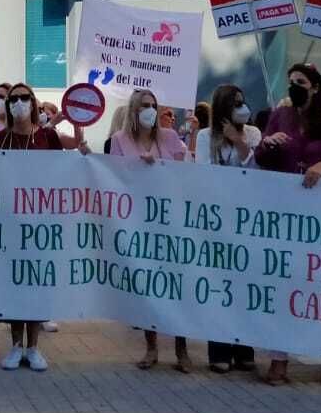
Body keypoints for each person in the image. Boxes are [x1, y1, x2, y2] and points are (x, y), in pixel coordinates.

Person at [258, 64, 321, 386]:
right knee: (284, 285)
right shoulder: (280, 117)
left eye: (300, 82)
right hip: (285, 213)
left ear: (315, 87)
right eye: (290, 82)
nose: (294, 86)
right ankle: (279, 358)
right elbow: (263, 160)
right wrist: (267, 145)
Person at [0, 82, 87, 370]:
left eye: (25, 98)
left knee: (37, 283)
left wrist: (82, 134)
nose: (19, 103)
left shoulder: (48, 136)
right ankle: (16, 345)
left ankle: (34, 347)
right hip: (9, 224)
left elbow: (77, 155)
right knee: (15, 284)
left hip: (42, 225)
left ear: (33, 102)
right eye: (14, 98)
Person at [111, 89, 192, 372]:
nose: (150, 110)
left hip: (170, 219)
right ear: (134, 110)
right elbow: (114, 178)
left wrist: (160, 166)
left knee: (175, 283)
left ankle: (182, 350)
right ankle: (151, 347)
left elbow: (187, 170)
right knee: (147, 284)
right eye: (145, 105)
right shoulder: (119, 141)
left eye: (154, 105)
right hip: (138, 221)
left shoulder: (169, 137)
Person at [196, 83, 259, 373]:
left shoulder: (254, 134)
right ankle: (219, 349)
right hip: (218, 220)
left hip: (247, 221)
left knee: (245, 284)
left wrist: (240, 142)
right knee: (220, 284)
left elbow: (259, 172)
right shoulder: (205, 137)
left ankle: (244, 348)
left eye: (243, 102)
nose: (242, 108)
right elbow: (205, 174)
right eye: (235, 104)